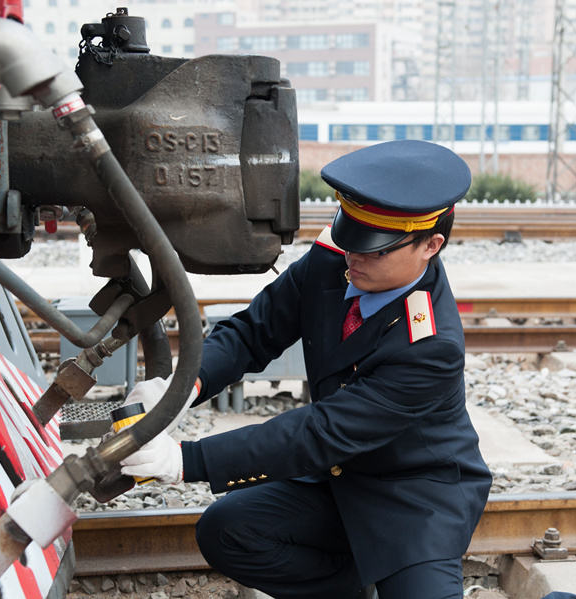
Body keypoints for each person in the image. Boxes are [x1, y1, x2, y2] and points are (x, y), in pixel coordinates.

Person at [120, 139, 493, 599]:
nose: (354, 256)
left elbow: (321, 430)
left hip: (412, 498)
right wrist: (181, 387)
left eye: (375, 250)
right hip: (338, 479)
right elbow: (252, 333)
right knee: (227, 530)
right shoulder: (333, 262)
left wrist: (187, 460)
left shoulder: (431, 343)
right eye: (349, 235)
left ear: (430, 245)